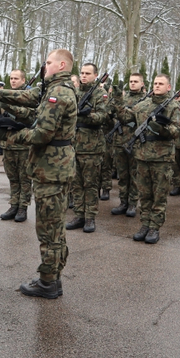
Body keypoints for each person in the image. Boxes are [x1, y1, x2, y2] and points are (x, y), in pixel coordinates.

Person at [0, 49, 77, 299]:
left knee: (49, 228)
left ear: (62, 65)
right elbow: (27, 99)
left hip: (52, 169)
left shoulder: (59, 92)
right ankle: (52, 277)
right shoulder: (51, 89)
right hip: (52, 167)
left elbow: (42, 133)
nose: (45, 66)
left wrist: (15, 136)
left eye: (49, 62)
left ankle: (48, 282)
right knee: (52, 227)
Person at [123, 74, 180, 244]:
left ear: (168, 87)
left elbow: (178, 131)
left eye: (161, 84)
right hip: (142, 156)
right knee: (145, 194)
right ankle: (144, 224)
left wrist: (162, 128)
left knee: (159, 195)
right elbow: (126, 117)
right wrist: (116, 102)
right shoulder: (143, 105)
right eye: (155, 83)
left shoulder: (173, 107)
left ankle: (154, 227)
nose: (157, 86)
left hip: (162, 158)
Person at [66, 63, 108, 233]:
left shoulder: (100, 94)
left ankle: (90, 217)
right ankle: (79, 215)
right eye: (82, 73)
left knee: (90, 184)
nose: (83, 76)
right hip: (74, 144)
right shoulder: (75, 92)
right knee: (76, 184)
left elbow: (103, 116)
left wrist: (87, 115)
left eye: (87, 73)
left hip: (92, 146)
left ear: (95, 75)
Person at [0, 69, 34, 223]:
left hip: (24, 145)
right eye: (11, 78)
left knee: (24, 178)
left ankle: (23, 207)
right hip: (8, 144)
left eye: (16, 78)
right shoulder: (6, 95)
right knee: (12, 177)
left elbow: (29, 115)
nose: (13, 81)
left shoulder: (29, 96)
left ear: (23, 80)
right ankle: (13, 205)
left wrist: (16, 121)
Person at [109, 73, 147, 217]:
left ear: (142, 83)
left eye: (136, 81)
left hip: (136, 142)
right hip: (120, 141)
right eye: (130, 81)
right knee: (123, 176)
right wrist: (116, 100)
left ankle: (132, 203)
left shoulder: (146, 101)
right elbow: (112, 113)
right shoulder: (122, 98)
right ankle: (123, 202)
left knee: (135, 175)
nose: (132, 84)